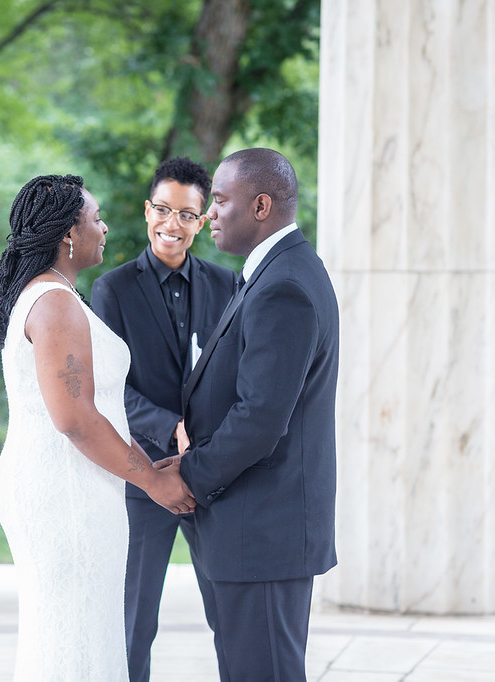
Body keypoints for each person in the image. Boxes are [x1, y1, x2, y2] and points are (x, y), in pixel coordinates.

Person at [0, 174, 196, 682]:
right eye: (96, 218)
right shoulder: (55, 303)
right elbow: (76, 418)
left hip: (73, 486)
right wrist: (152, 479)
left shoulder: (54, 296)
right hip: (66, 495)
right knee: (73, 639)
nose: (104, 228)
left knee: (73, 632)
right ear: (67, 234)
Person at [169, 148, 339, 680]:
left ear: (261, 205)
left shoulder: (283, 286)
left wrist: (187, 478)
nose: (208, 214)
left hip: (262, 532)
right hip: (249, 528)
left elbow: (260, 419)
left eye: (219, 201)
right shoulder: (272, 274)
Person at [90, 157, 236, 682]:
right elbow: (108, 388)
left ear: (202, 220)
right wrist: (171, 425)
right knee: (133, 624)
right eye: (162, 209)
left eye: (187, 214)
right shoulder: (112, 290)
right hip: (142, 476)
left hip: (212, 474)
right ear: (146, 209)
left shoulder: (229, 286)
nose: (171, 224)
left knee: (230, 617)